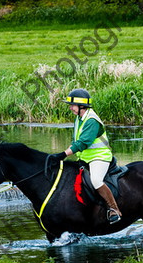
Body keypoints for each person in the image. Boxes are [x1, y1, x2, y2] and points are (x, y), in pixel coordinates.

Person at [49, 88, 122, 224]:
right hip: (85, 158)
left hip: (99, 157)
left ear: (81, 106)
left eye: (72, 105)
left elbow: (83, 143)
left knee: (95, 180)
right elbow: (76, 141)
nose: (70, 108)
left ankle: (114, 210)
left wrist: (63, 154)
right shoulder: (80, 118)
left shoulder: (91, 120)